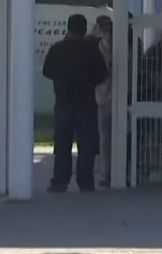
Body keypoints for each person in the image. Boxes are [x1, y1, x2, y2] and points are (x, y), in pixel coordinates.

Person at [42, 14, 109, 193]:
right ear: (84, 29)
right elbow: (102, 74)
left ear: (68, 28)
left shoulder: (58, 49)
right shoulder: (91, 50)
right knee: (87, 145)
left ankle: (59, 180)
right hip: (86, 103)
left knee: (62, 143)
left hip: (63, 102)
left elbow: (47, 71)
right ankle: (85, 181)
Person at [94, 18, 114, 187]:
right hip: (103, 99)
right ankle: (106, 172)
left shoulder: (124, 49)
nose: (108, 35)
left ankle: (119, 170)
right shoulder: (95, 51)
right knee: (105, 137)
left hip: (121, 98)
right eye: (105, 31)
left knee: (121, 135)